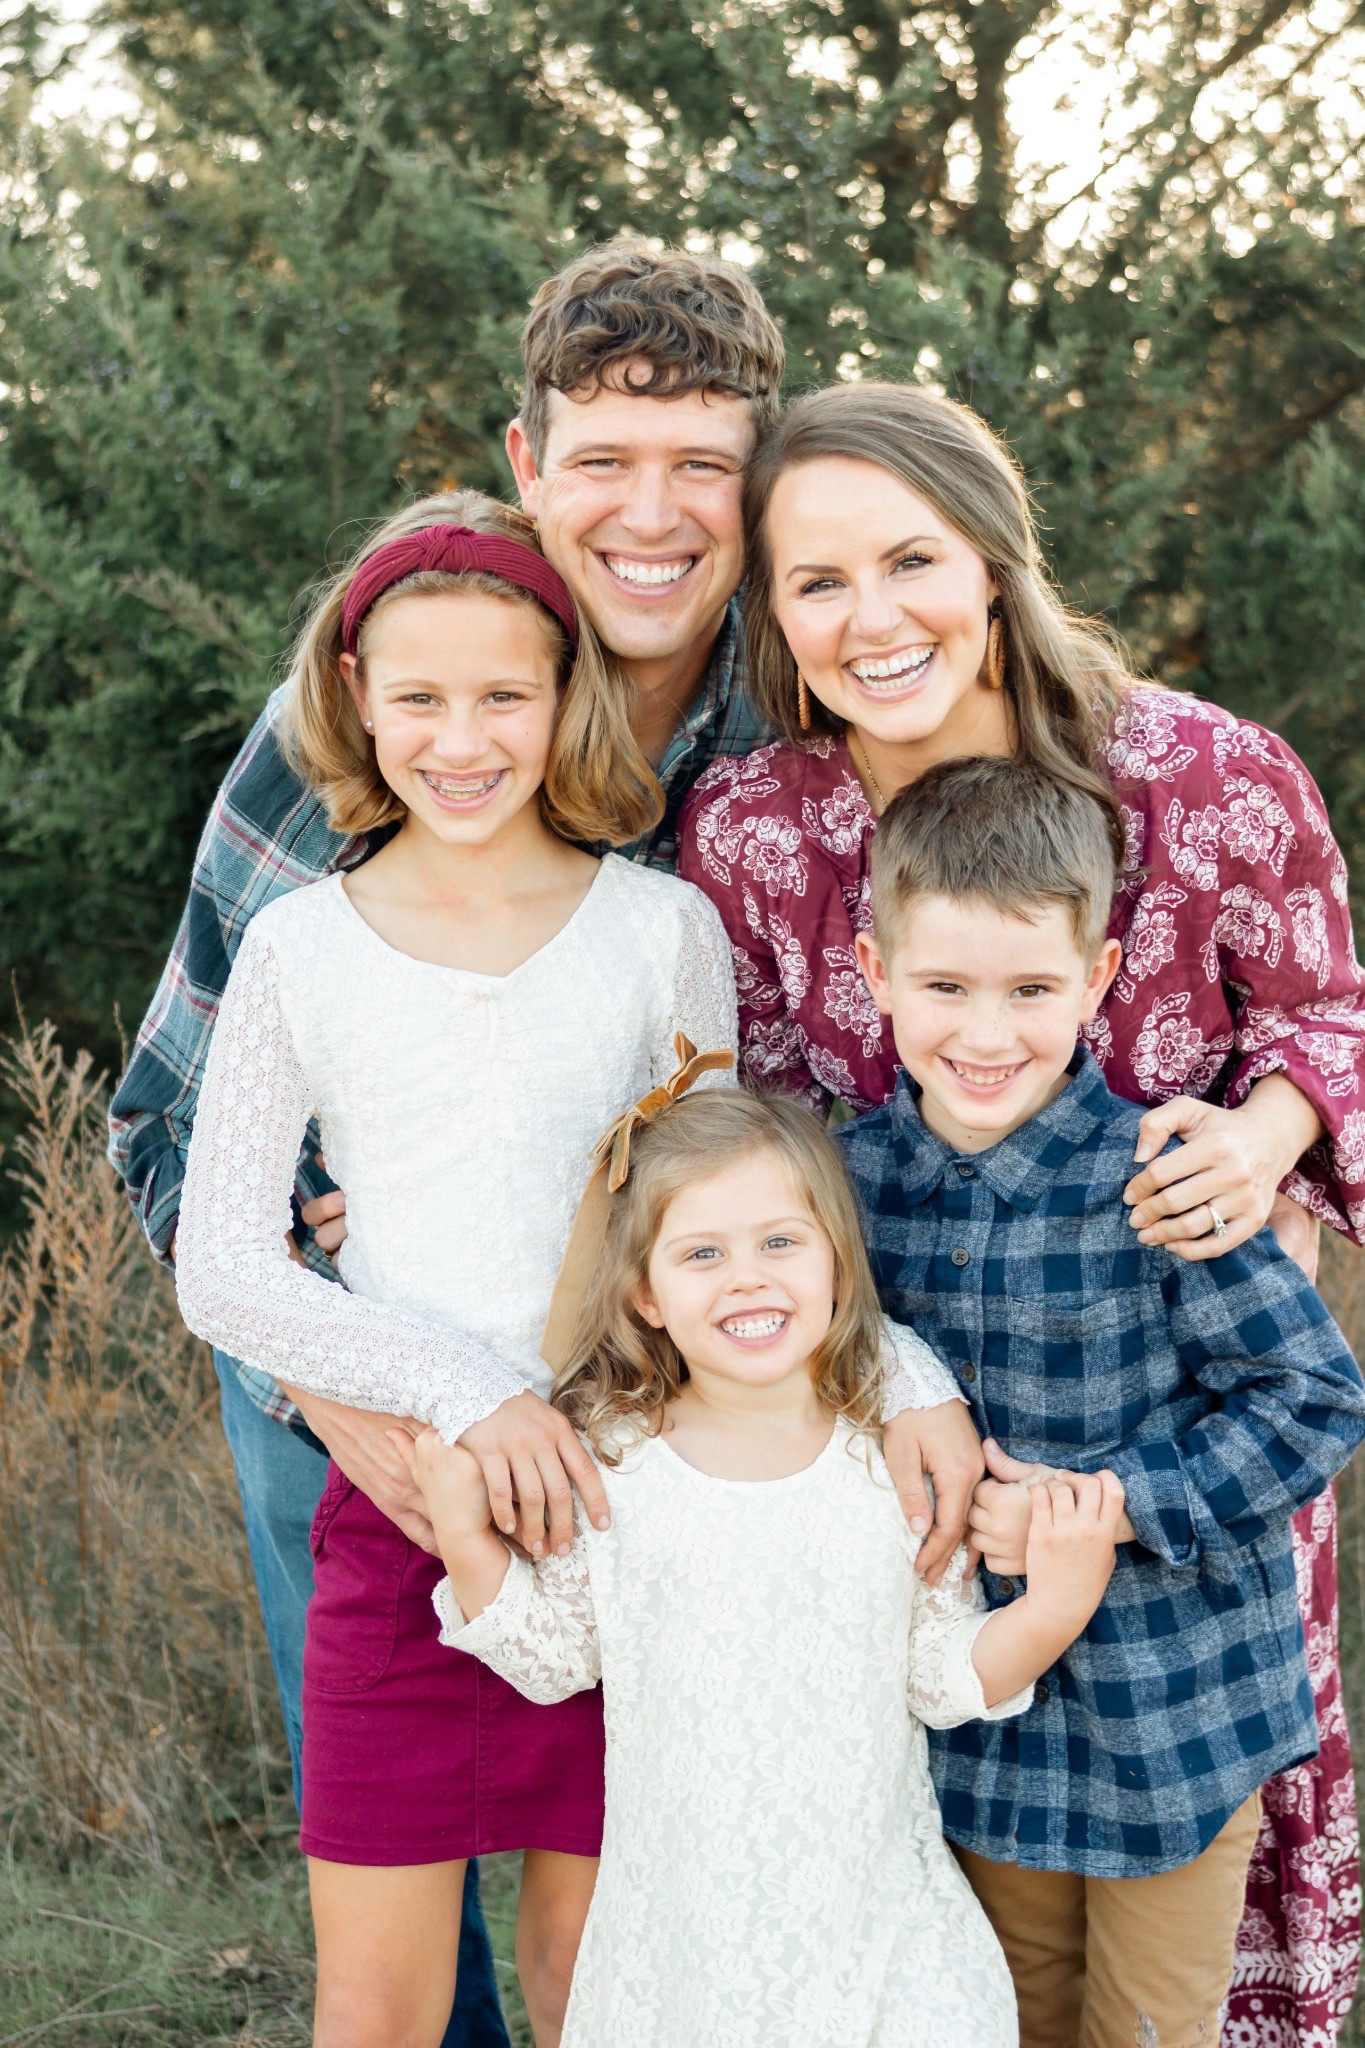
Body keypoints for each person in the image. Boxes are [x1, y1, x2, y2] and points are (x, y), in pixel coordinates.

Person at [107, 256, 983, 2045]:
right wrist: (370, 1402)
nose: (651, 515)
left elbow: (751, 1142)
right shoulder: (390, 684)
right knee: (403, 1947)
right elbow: (174, 1132)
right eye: (603, 462)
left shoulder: (789, 709)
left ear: (754, 482)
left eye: (700, 466)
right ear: (529, 461)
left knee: (632, 1930)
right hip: (340, 1381)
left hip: (648, 1424)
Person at [678, 380, 1365, 2043]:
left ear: (991, 557)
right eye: (817, 581)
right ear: (771, 613)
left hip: (1183, 1444)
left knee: (1162, 1953)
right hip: (915, 1477)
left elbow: (1331, 1012)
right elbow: (757, 1128)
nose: (872, 617)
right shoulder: (757, 829)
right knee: (968, 1958)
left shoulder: (1204, 775)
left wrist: (1263, 1138)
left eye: (910, 559)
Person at [171, 491, 741, 2046]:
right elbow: (224, 1267)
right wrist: (468, 1399)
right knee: (376, 2008)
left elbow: (708, 1224)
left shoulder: (662, 932)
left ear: (566, 694)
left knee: (595, 1986)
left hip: (620, 1518)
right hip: (402, 1521)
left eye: (504, 695)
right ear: (358, 697)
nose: (463, 740)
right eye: (420, 698)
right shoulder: (299, 948)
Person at [400, 1088, 1128, 2048]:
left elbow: (938, 1674)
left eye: (780, 1242)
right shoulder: (613, 1461)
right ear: (646, 1296)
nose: (746, 1280)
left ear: (836, 1263)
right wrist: (463, 1532)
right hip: (687, 1941)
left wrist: (1057, 1604)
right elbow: (554, 1656)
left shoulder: (892, 1464)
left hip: (876, 1923)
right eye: (702, 1254)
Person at [832, 752, 1365, 2047]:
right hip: (980, 1724)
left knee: (1144, 2030)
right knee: (1000, 2016)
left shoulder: (1163, 1175)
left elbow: (1311, 1398)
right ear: (874, 973)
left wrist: (1112, 1507)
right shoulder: (841, 1190)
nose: (986, 1034)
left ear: (1097, 978)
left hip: (1176, 1715)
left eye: (1030, 989)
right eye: (945, 987)